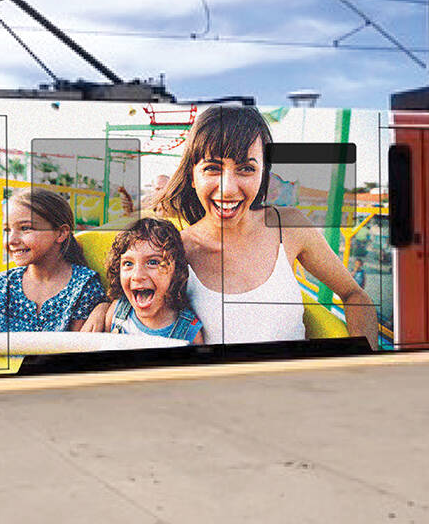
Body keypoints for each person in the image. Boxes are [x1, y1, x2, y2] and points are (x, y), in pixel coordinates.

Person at [147, 105, 378, 347]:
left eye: (246, 169)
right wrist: (103, 308)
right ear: (192, 176)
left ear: (263, 174)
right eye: (212, 168)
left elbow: (355, 295)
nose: (228, 189)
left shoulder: (288, 227)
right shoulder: (174, 252)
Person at [0, 189, 105, 335]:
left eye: (25, 228)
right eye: (6, 230)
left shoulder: (84, 286)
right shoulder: (0, 287)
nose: (12, 240)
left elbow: (77, 350)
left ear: (61, 233)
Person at [95, 217, 203, 347]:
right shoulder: (117, 312)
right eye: (128, 263)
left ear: (176, 270)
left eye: (153, 262)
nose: (138, 276)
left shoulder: (188, 331)